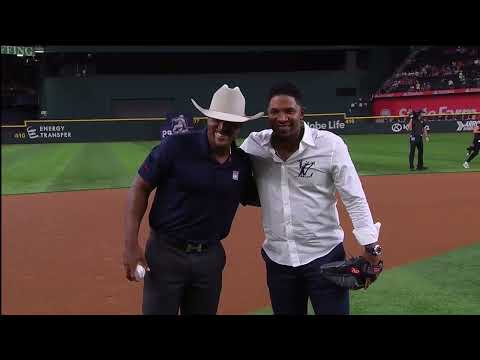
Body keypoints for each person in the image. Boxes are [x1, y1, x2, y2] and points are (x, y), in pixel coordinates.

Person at [240, 82, 382, 315]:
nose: (282, 117)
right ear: (268, 115)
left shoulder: (330, 145)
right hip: (279, 260)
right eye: (275, 112)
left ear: (302, 113)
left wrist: (371, 247)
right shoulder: (255, 145)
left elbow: (354, 196)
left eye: (289, 111)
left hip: (325, 257)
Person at [123, 84, 262, 315]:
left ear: (240, 126)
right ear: (207, 118)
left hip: (210, 259)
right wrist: (130, 245)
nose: (222, 127)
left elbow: (257, 196)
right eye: (216, 119)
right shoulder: (176, 147)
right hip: (166, 255)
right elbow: (140, 187)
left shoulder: (241, 162)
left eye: (231, 122)